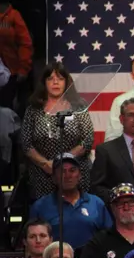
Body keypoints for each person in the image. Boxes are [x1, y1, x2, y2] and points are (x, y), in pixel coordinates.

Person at [21, 62, 94, 200]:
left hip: (74, 172)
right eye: (50, 78)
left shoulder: (78, 106)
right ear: (44, 83)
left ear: (66, 82)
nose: (55, 82)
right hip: (43, 174)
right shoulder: (33, 109)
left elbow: (87, 140)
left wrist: (63, 161)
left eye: (60, 78)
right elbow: (26, 143)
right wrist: (46, 164)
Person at [30, 153, 112, 251]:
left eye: (72, 170)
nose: (68, 175)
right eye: (62, 171)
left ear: (80, 176)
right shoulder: (40, 207)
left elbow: (109, 237)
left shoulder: (96, 203)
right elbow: (32, 243)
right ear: (54, 178)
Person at [0, 0, 33, 110]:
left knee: (8, 106)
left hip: (12, 70)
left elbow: (25, 44)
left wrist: (23, 68)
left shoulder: (14, 16)